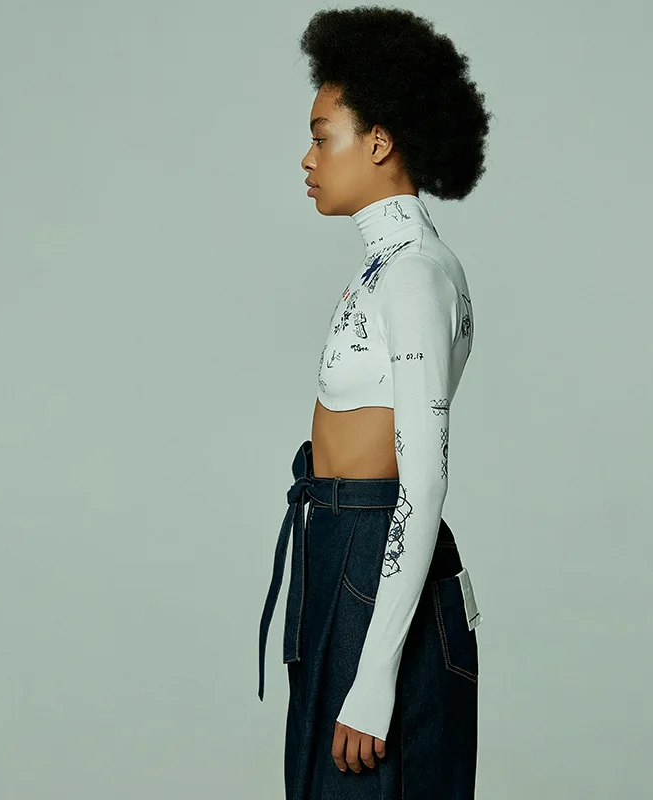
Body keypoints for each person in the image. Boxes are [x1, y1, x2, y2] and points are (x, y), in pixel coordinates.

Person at [258, 6, 493, 798]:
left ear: (380, 143)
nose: (308, 158)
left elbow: (423, 480)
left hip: (376, 557)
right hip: (337, 550)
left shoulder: (417, 273)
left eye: (322, 137)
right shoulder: (385, 268)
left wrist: (373, 679)